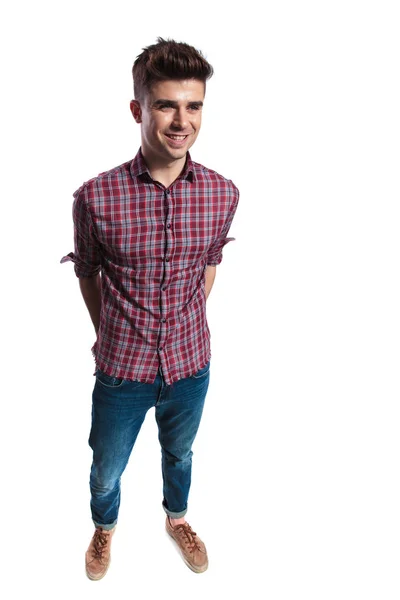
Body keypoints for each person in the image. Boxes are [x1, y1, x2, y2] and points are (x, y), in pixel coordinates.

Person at [61, 37, 240, 579]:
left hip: (191, 366)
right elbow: (87, 272)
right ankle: (104, 528)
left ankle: (177, 518)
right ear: (139, 109)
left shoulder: (222, 194)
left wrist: (180, 322)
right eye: (166, 104)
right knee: (105, 470)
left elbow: (208, 269)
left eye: (193, 105)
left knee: (180, 456)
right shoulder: (95, 197)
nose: (181, 120)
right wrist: (112, 330)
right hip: (121, 370)